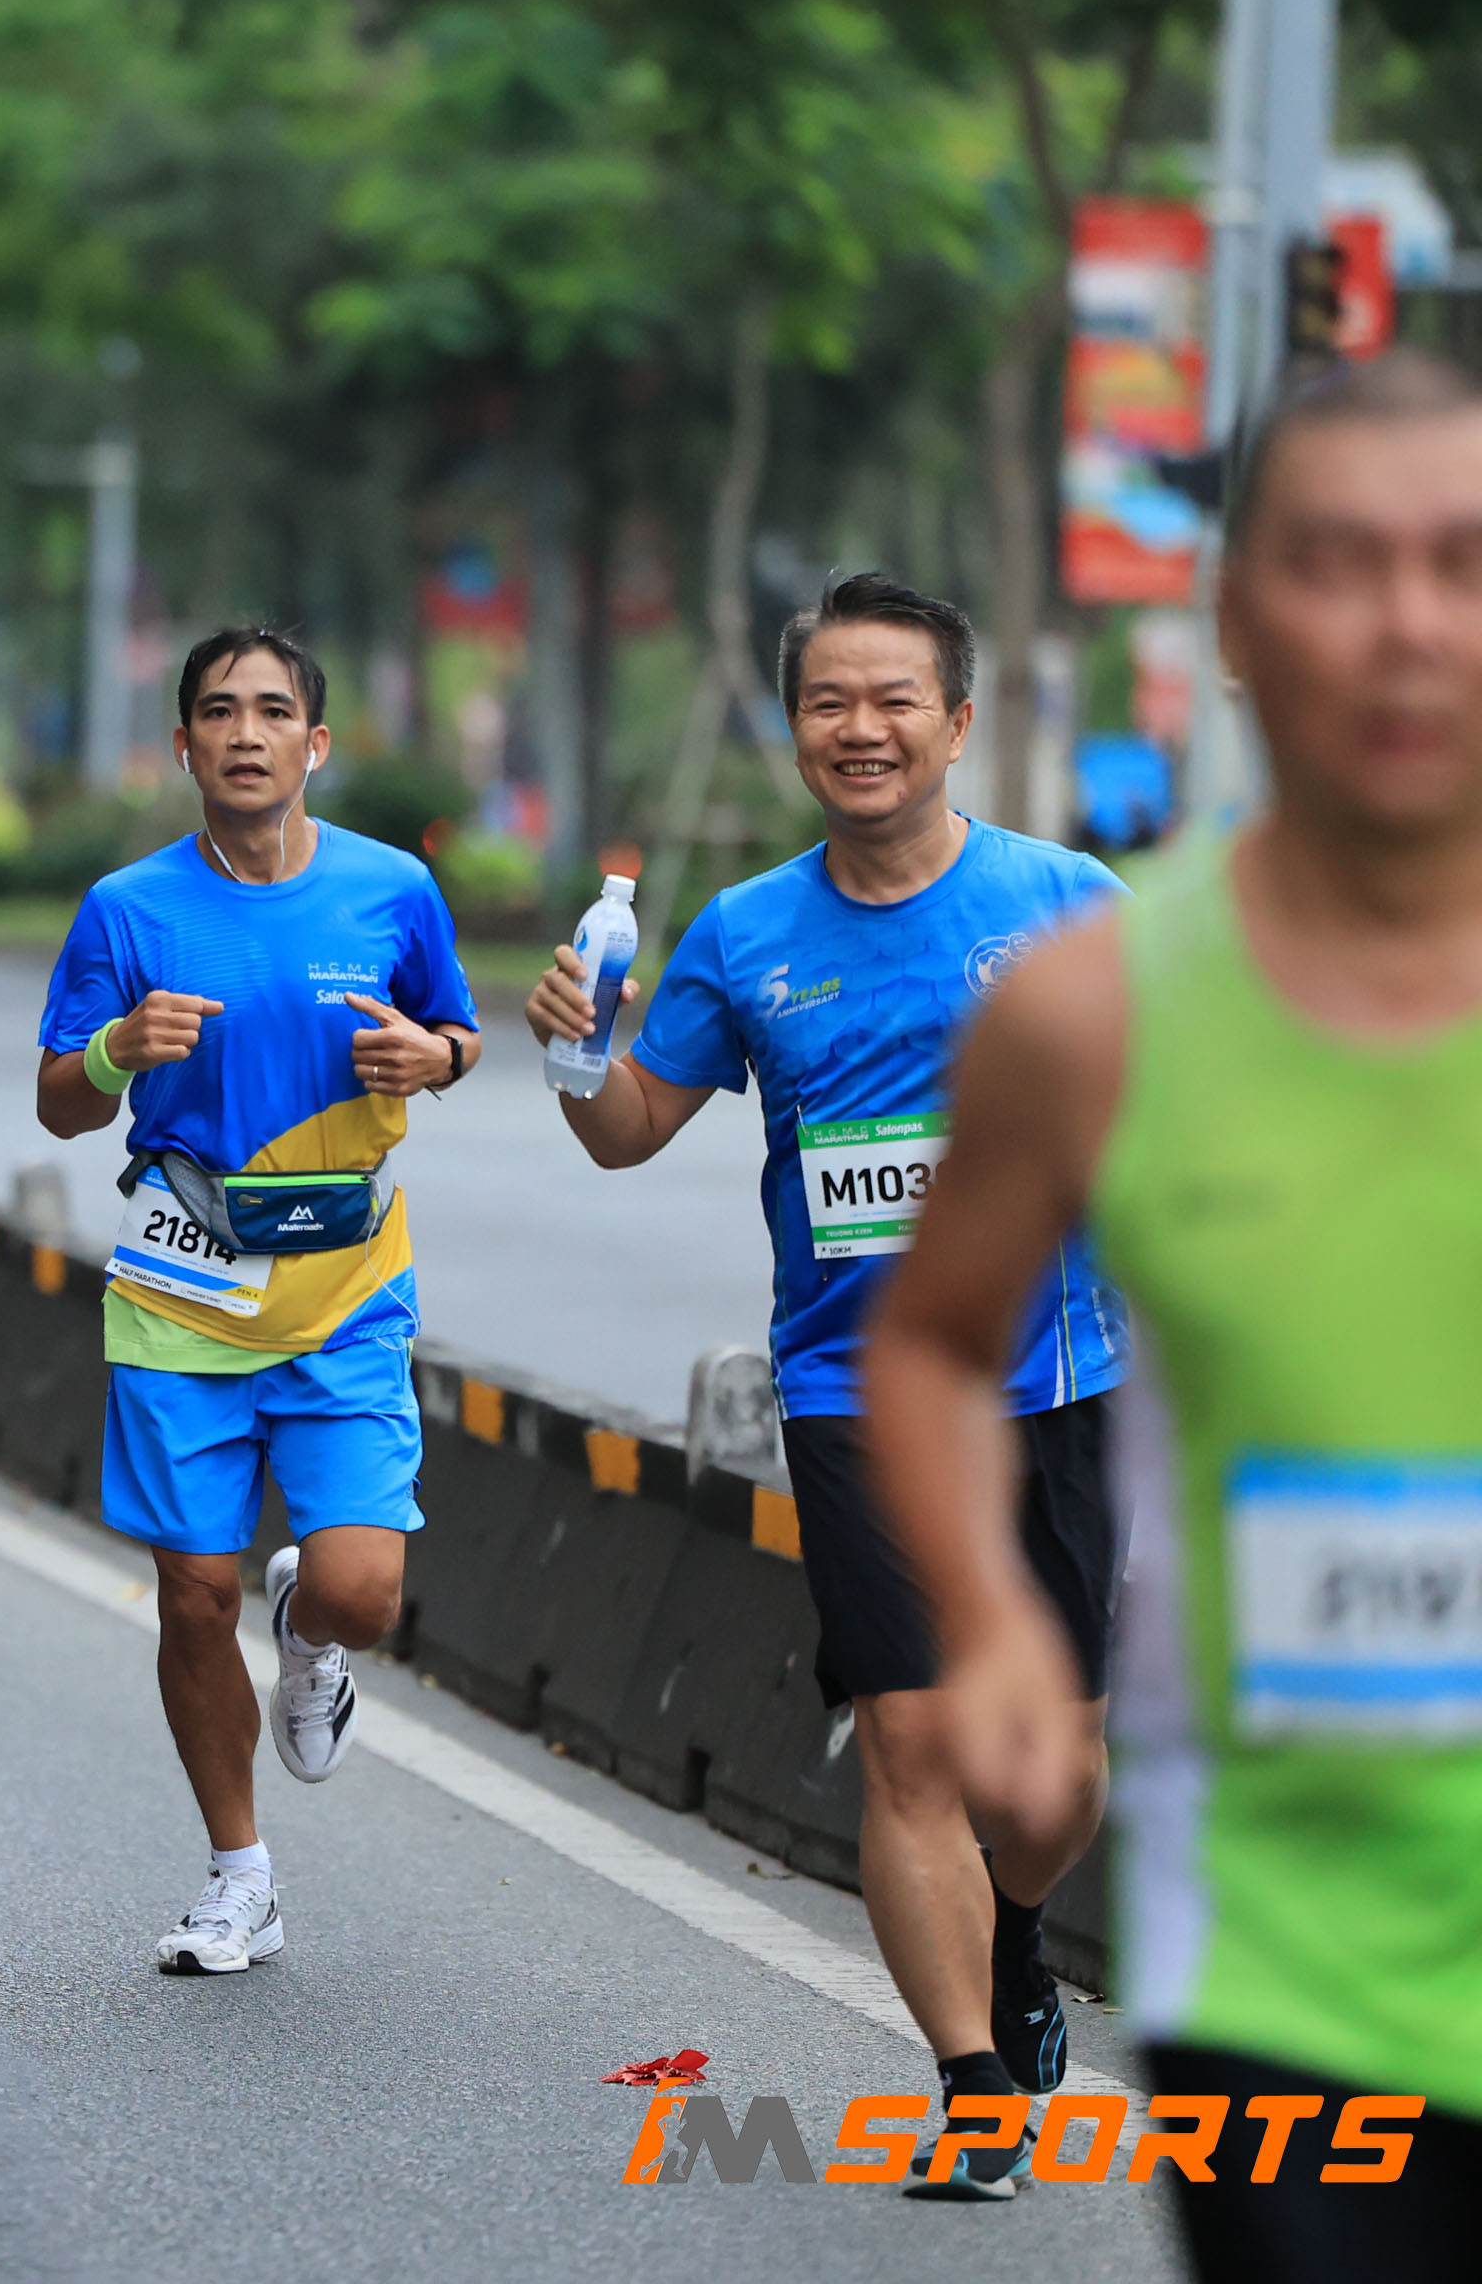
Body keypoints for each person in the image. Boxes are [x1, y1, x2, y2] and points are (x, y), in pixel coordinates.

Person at [865, 353, 1482, 2273]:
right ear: (1227, 621)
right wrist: (987, 1620)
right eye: (1335, 563)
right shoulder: (1092, 1008)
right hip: (1296, 1973)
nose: (1404, 624)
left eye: (1461, 562)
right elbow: (927, 1342)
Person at [525, 572, 1126, 2202]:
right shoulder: (744, 934)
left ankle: (1014, 1932)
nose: (859, 730)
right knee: (912, 1744)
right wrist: (575, 1054)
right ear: (792, 727)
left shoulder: (1067, 899)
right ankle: (973, 2090)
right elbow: (629, 1129)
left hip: (1059, 1380)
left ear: (956, 721)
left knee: (1054, 1778)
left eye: (891, 701)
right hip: (859, 1395)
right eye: (826, 704)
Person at [33, 625, 480, 1978]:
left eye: (273, 710)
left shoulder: (393, 889)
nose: (246, 732)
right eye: (219, 711)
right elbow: (58, 1101)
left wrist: (434, 1055)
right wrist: (115, 1050)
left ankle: (309, 1632)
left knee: (364, 1589)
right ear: (182, 745)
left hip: (345, 1290)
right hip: (181, 1289)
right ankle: (241, 1876)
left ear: (315, 743)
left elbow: (457, 1033)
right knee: (186, 1597)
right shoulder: (128, 908)